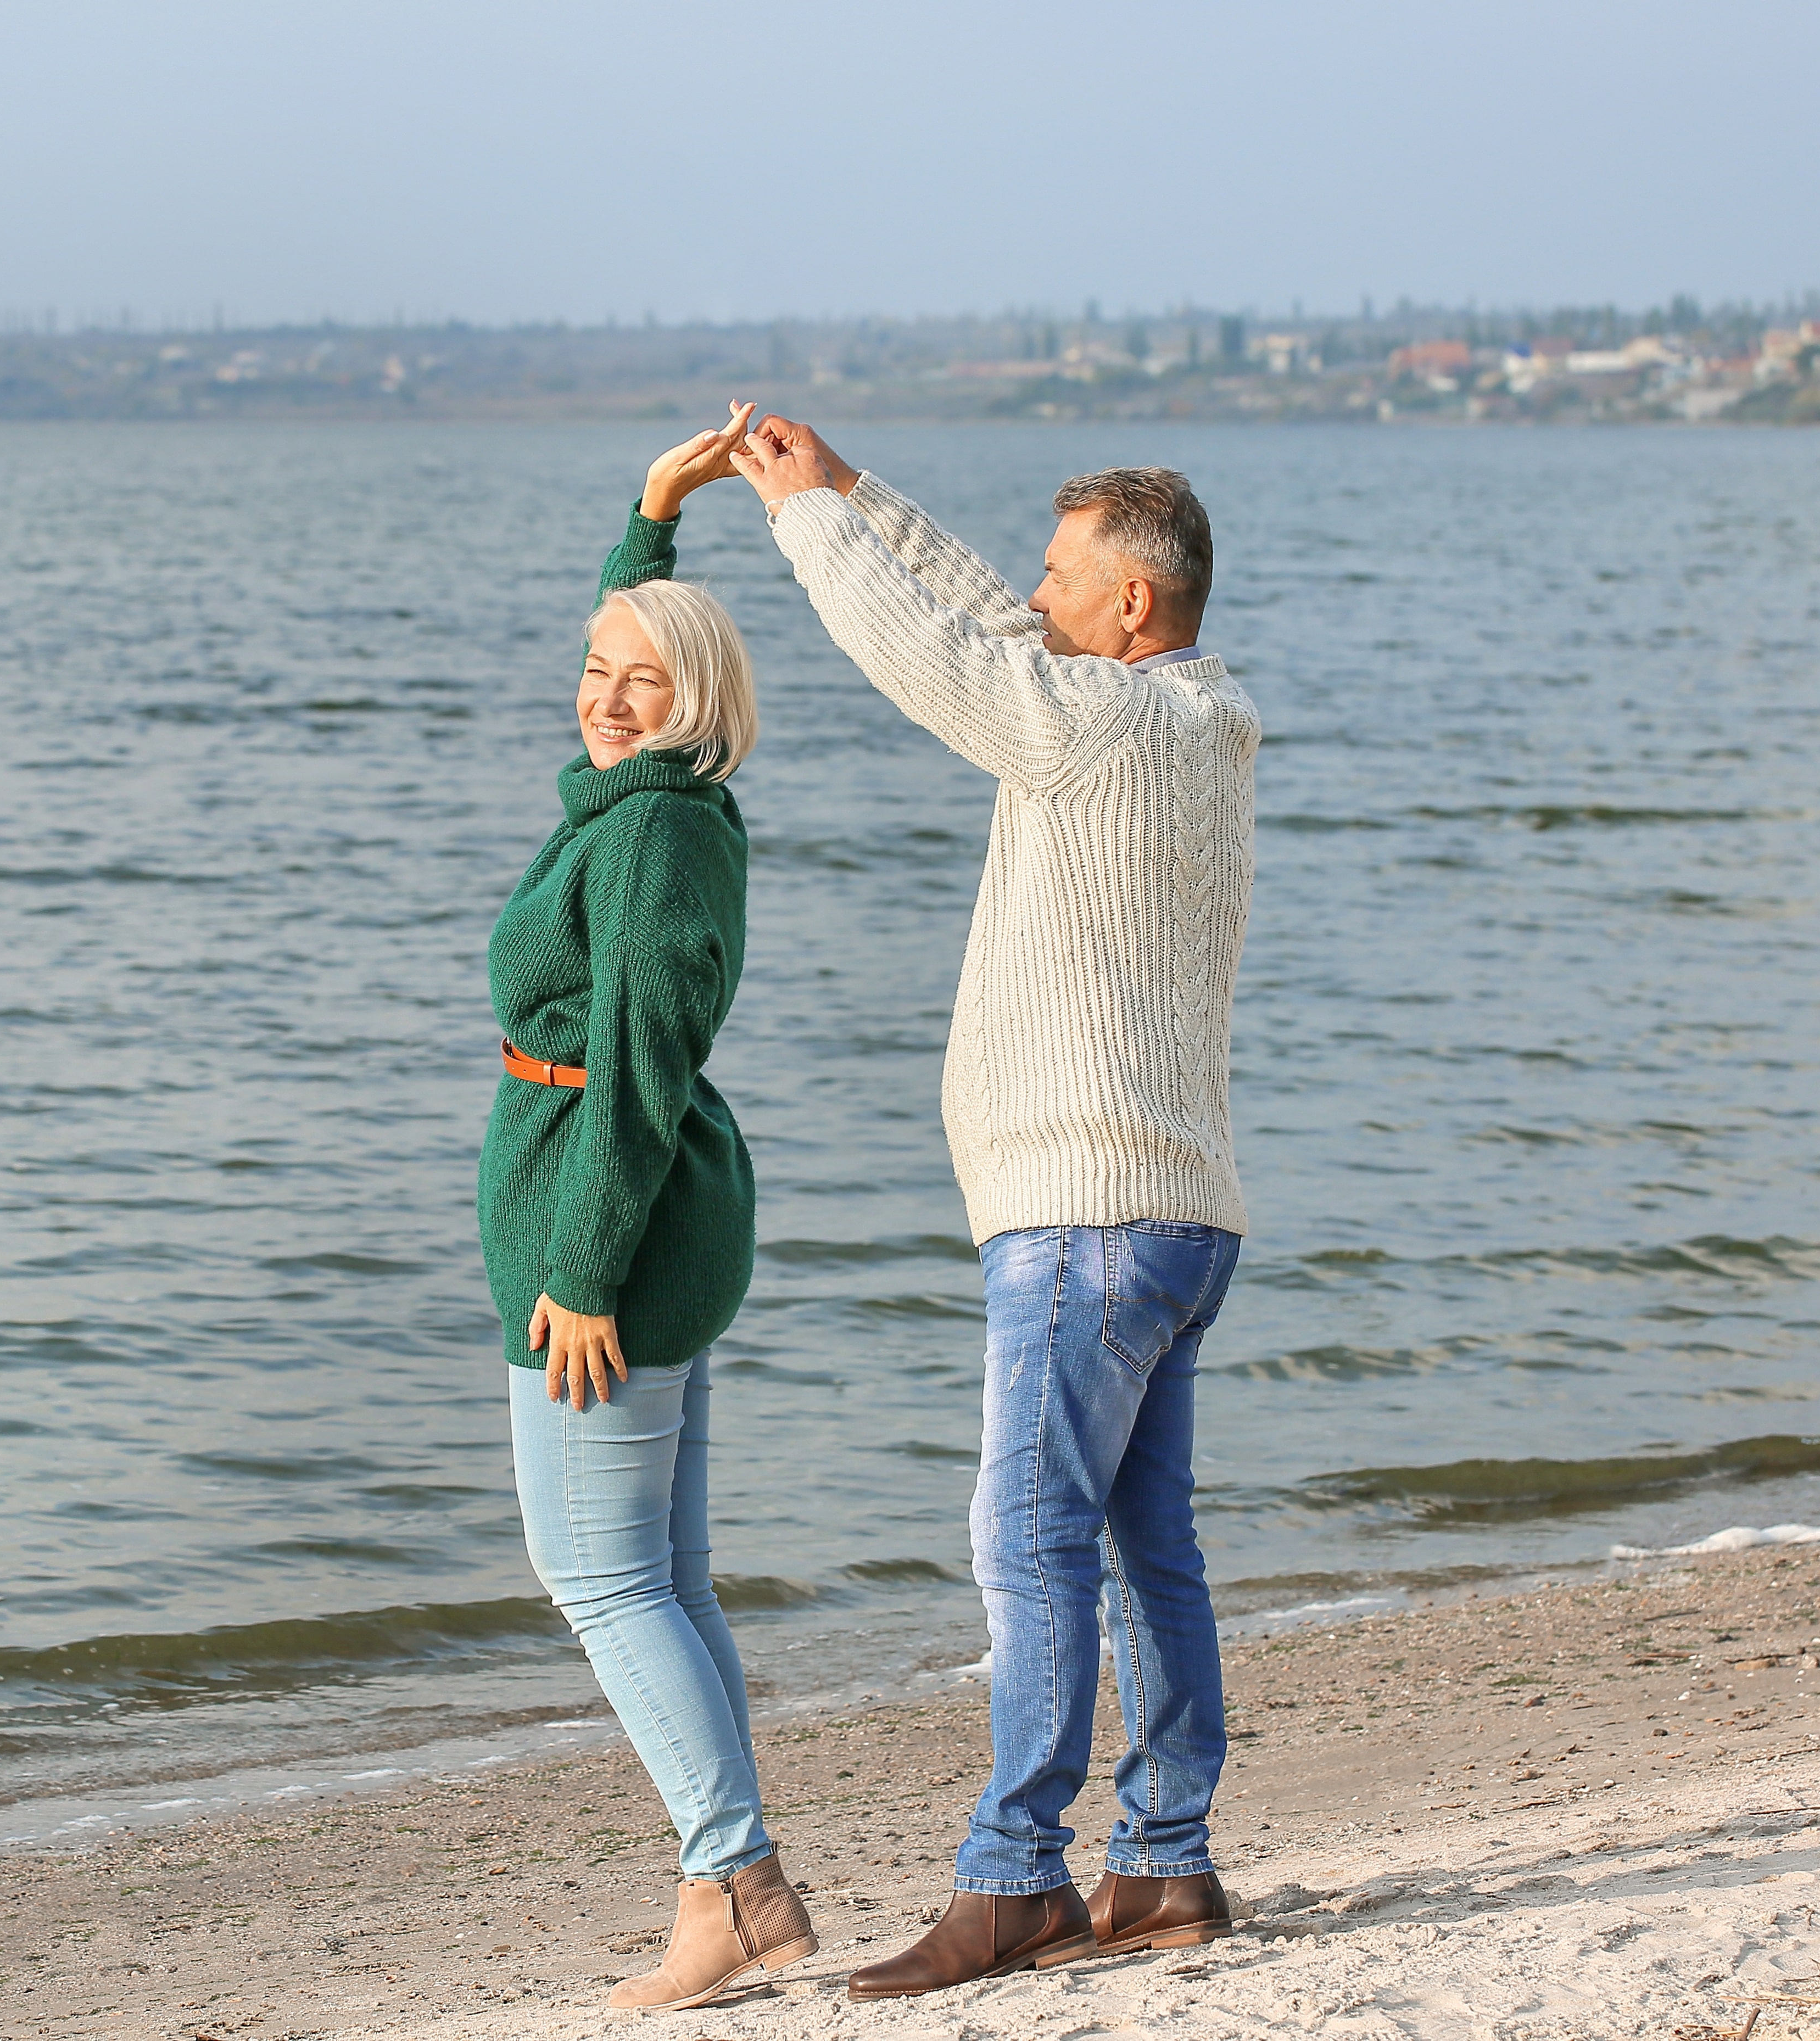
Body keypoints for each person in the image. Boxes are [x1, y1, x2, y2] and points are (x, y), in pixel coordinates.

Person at [728, 418, 1259, 1998]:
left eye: (1061, 579)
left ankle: (1016, 1875)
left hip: (1085, 1210)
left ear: (1133, 613)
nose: (1036, 599)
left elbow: (931, 659)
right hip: (1176, 1209)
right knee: (1145, 1545)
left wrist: (806, 530)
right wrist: (857, 491)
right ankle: (1164, 1862)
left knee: (1027, 1538)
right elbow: (993, 624)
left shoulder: (1095, 728)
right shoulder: (1180, 713)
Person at [482, 403, 818, 2012]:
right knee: (664, 1577)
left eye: (646, 683)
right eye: (595, 670)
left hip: (616, 1235)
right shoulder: (639, 804)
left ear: (703, 709)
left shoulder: (659, 839)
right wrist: (651, 517)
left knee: (601, 1580)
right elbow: (635, 650)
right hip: (638, 1221)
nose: (609, 702)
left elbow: (633, 1063)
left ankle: (735, 1880)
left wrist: (581, 1268)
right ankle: (727, 1879)